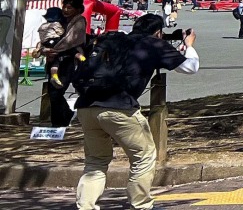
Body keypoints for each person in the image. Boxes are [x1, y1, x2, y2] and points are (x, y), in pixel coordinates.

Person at [73, 14, 199, 210]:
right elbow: (190, 67)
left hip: (87, 107)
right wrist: (189, 44)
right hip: (120, 108)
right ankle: (140, 204)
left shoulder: (114, 38)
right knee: (144, 156)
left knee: (95, 161)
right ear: (159, 32)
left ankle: (85, 206)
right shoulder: (154, 44)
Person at [41, 0, 90, 128]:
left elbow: (71, 41)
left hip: (69, 60)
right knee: (53, 92)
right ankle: (61, 118)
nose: (66, 10)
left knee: (57, 91)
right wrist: (45, 48)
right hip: (55, 58)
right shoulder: (59, 20)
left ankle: (60, 121)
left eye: (70, 7)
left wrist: (53, 49)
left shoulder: (79, 21)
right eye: (64, 6)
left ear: (78, 9)